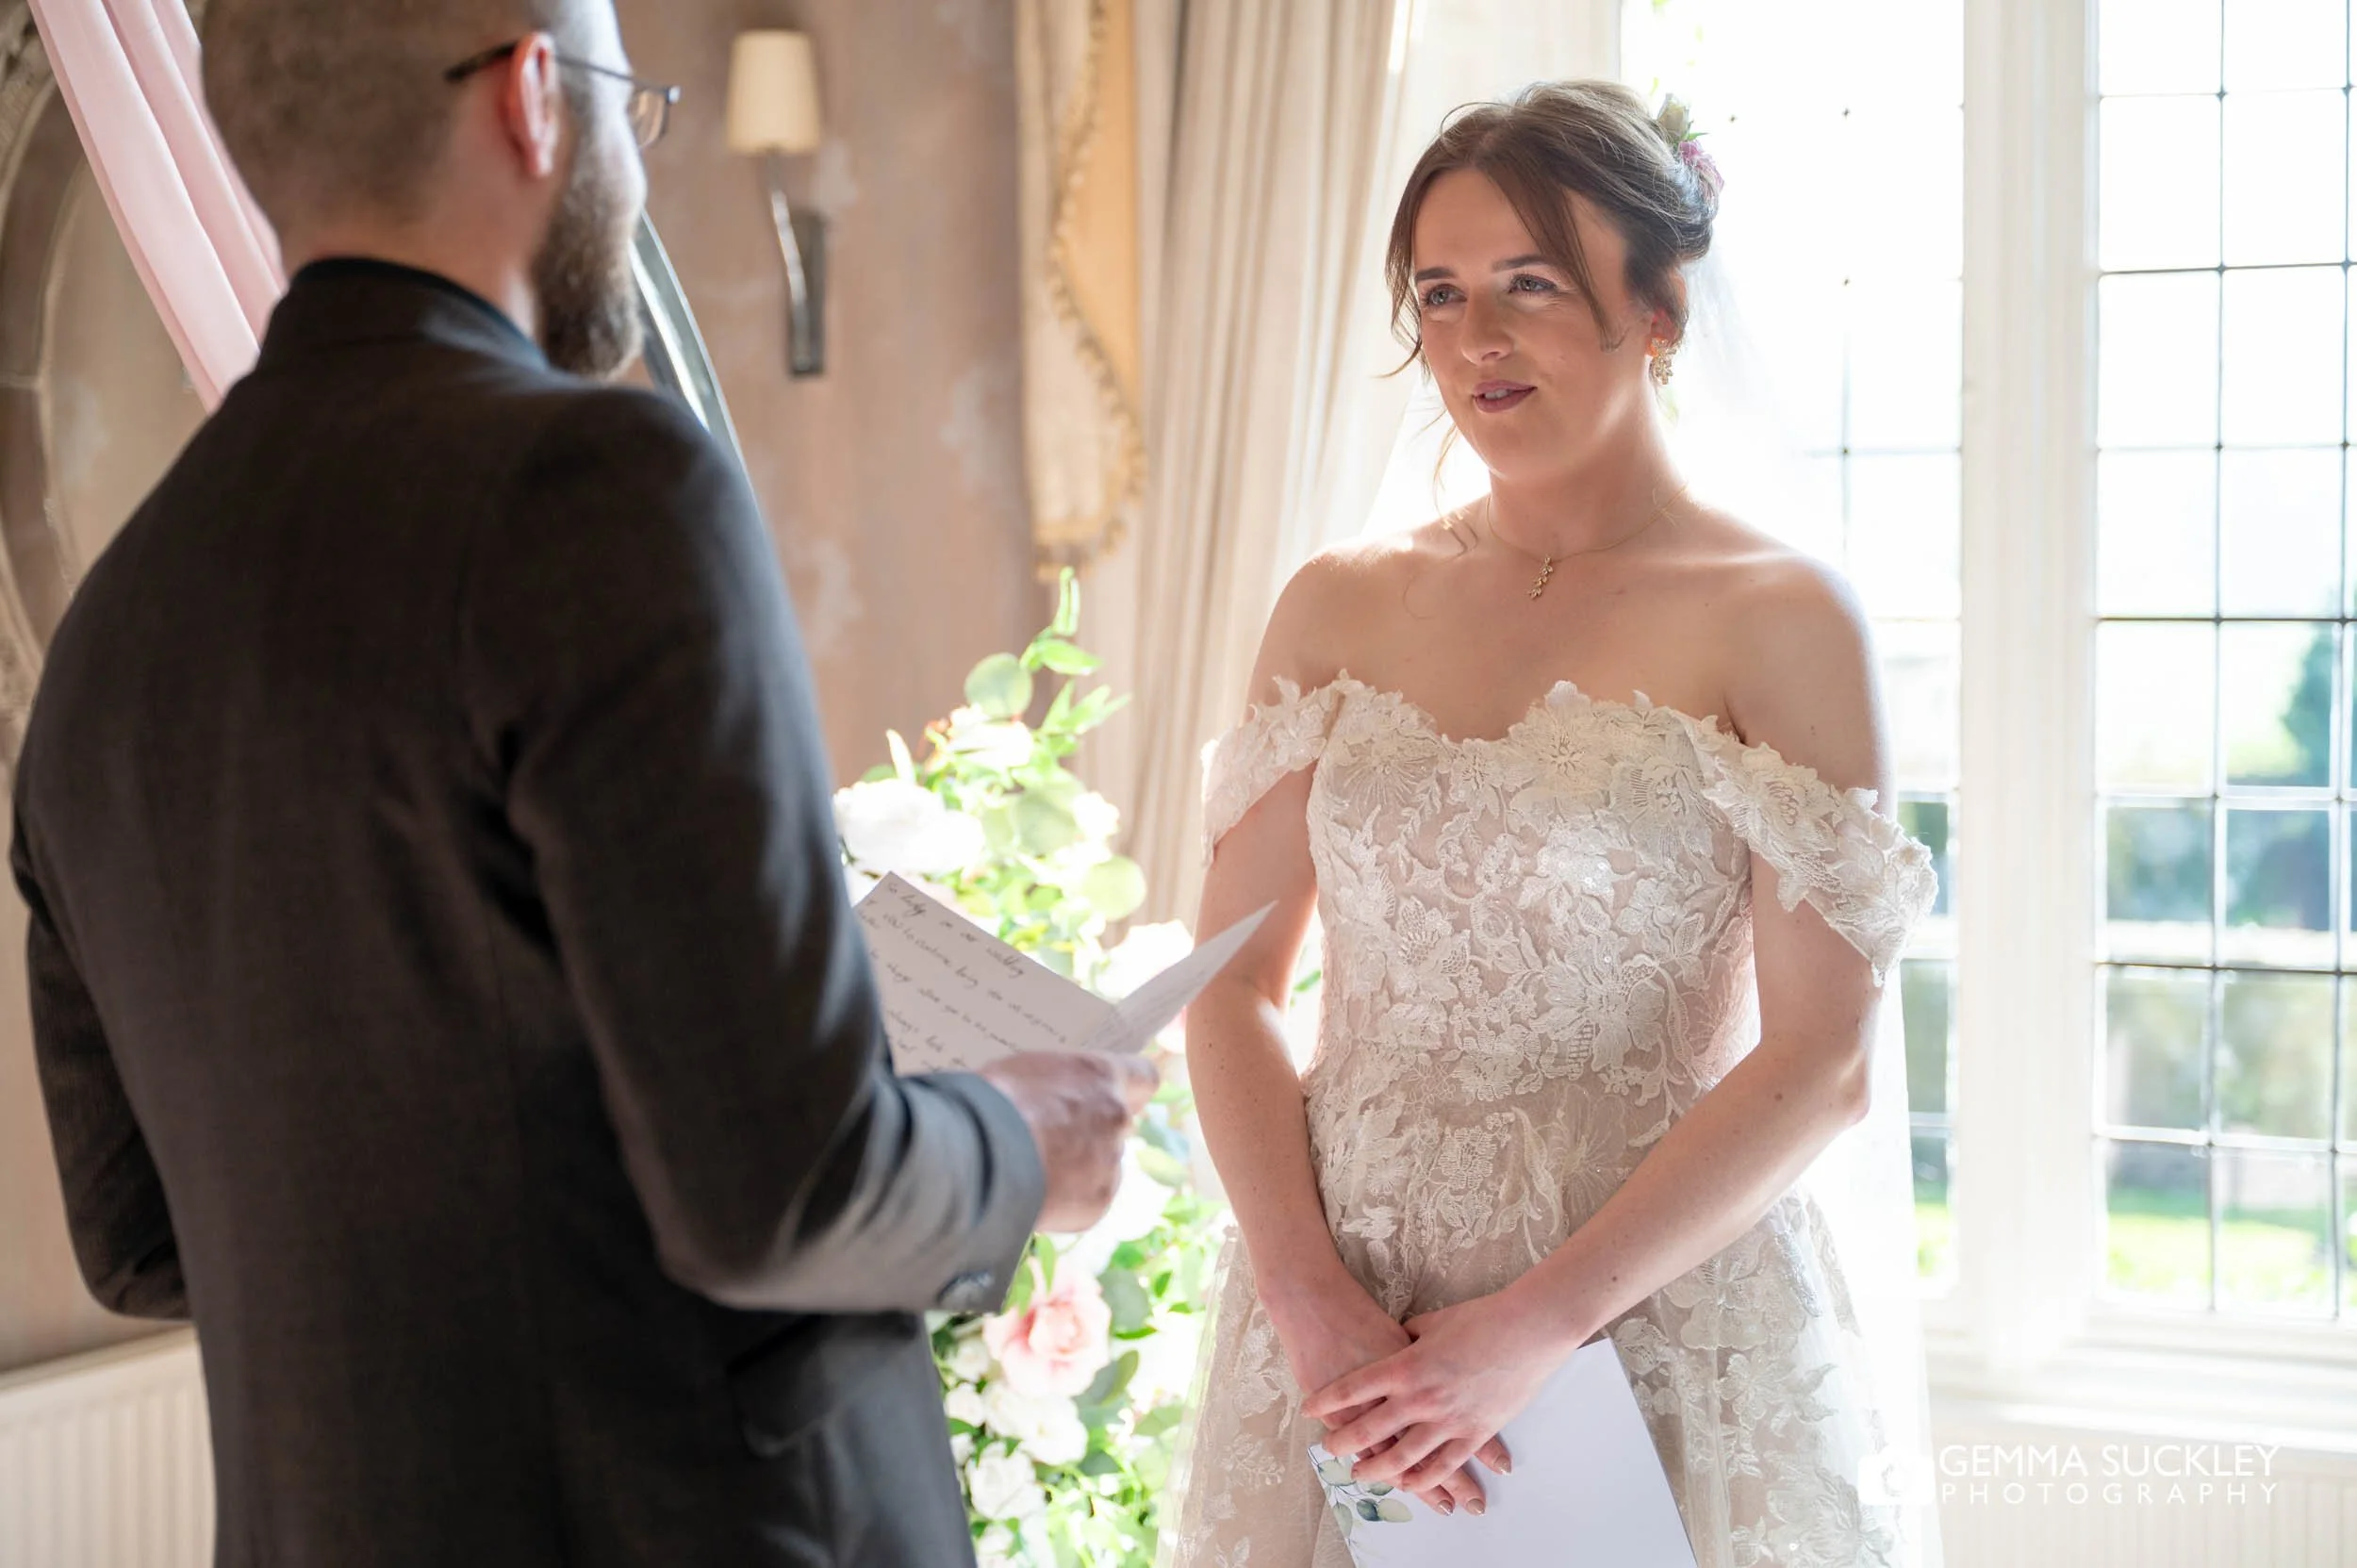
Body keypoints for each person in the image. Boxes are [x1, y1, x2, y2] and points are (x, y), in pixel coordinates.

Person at [11, 2, 1153, 1563]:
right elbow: (785, 1193)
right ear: (537, 97)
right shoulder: (600, 487)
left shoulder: (104, 649)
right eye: (633, 100)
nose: (641, 157)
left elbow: (139, 1236)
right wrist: (1021, 1138)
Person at [1160, 82, 1941, 1568]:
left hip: (1646, 1315)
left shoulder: (1779, 617)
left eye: (1530, 284)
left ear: (1660, 311)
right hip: (1341, 1319)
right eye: (1440, 294)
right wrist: (1306, 1295)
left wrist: (1532, 1329)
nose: (1476, 340)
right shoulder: (1334, 605)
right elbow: (1234, 986)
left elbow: (1824, 1059)